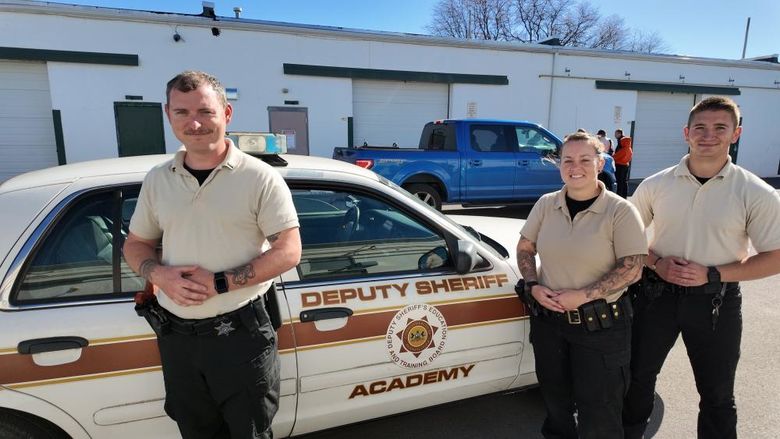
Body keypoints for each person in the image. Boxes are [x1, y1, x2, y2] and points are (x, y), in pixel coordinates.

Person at [123, 70, 302, 439]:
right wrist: (159, 275)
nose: (195, 123)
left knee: (249, 433)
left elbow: (288, 251)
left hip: (241, 337)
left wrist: (220, 282)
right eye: (182, 112)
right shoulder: (158, 179)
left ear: (227, 114)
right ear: (168, 115)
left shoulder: (260, 178)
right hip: (177, 340)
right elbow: (135, 245)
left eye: (205, 111)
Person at [622, 96, 780, 439]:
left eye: (720, 128)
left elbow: (775, 256)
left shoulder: (756, 192)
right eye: (700, 128)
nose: (709, 135)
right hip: (655, 296)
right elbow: (624, 241)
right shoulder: (655, 184)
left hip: (716, 303)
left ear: (735, 134)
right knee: (636, 378)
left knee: (717, 394)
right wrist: (657, 263)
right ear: (686, 133)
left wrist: (714, 273)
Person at [516, 132, 647, 439]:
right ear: (559, 165)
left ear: (600, 163)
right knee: (555, 406)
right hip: (549, 325)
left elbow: (633, 268)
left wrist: (584, 296)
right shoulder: (547, 204)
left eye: (585, 160)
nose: (576, 167)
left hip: (601, 328)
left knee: (600, 413)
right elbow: (525, 248)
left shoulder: (620, 211)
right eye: (568, 160)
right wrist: (533, 285)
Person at [613, 129, 632, 198]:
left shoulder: (623, 149)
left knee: (619, 181)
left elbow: (615, 157)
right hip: (626, 165)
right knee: (624, 181)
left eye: (622, 141)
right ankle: (624, 195)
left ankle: (619, 195)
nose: (620, 142)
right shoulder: (629, 148)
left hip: (619, 166)